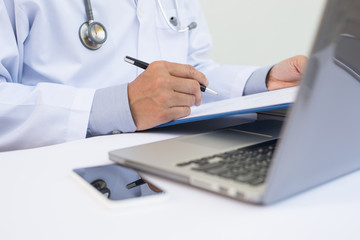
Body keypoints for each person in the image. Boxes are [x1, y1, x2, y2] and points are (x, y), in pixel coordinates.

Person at [0, 0, 307, 152]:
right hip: (54, 171)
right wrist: (116, 106)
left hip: (166, 158)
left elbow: (193, 69)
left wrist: (263, 82)